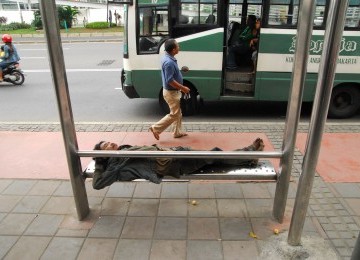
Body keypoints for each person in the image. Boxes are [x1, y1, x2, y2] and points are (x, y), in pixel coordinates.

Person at [91, 138, 265, 190]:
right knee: (214, 155)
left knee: (214, 158)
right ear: (103, 155)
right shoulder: (115, 163)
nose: (109, 144)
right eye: (104, 146)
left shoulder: (122, 149)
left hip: (173, 155)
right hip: (173, 164)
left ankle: (248, 157)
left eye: (107, 142)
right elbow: (98, 184)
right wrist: (100, 162)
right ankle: (249, 153)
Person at [149, 38, 190, 140]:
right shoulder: (169, 62)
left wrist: (180, 71)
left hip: (172, 92)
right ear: (173, 50)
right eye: (177, 46)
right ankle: (156, 128)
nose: (179, 48)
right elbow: (170, 81)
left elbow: (171, 74)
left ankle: (177, 132)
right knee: (175, 114)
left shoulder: (168, 58)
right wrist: (183, 88)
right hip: (171, 93)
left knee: (178, 113)